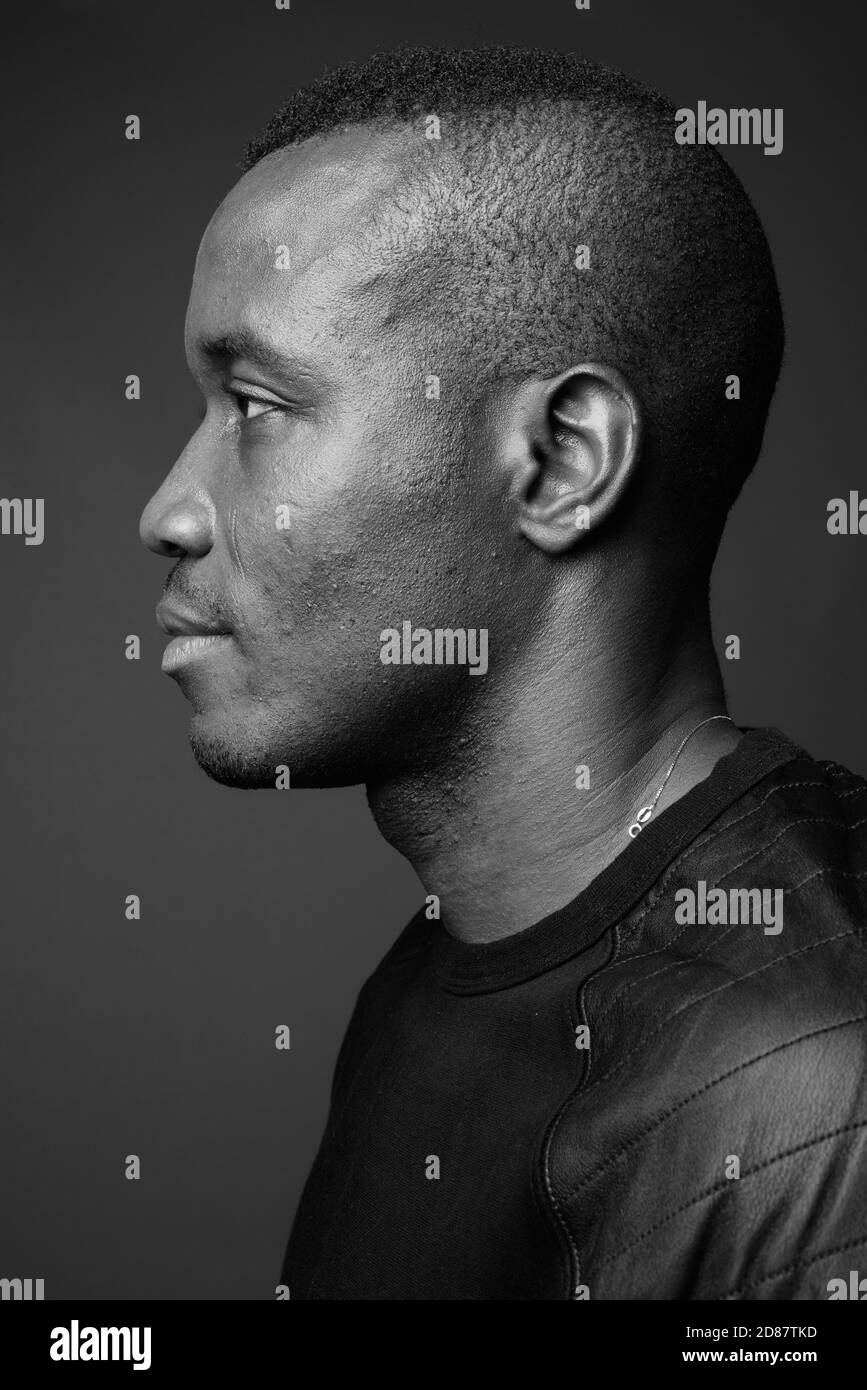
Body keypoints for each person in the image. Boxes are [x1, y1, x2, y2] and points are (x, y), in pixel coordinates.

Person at [139, 45, 867, 1300]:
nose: (169, 511)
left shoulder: (803, 1080)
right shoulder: (443, 963)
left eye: (256, 404)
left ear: (561, 462)